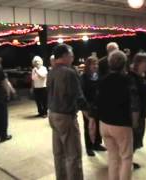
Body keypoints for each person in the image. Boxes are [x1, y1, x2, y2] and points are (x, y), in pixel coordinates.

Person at [47, 44, 95, 180]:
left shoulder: (52, 71)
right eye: (71, 54)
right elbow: (79, 96)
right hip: (66, 117)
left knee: (59, 153)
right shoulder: (69, 72)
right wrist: (90, 116)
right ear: (64, 56)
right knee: (73, 155)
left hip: (53, 114)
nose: (73, 57)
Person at [97, 50, 138, 180]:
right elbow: (134, 104)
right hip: (121, 124)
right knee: (126, 158)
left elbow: (97, 101)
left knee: (113, 157)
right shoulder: (127, 80)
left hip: (104, 124)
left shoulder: (103, 80)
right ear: (125, 64)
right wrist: (135, 122)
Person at [129, 52, 146, 169]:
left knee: (137, 138)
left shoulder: (144, 76)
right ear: (138, 62)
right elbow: (133, 99)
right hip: (134, 114)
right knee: (132, 139)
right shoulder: (131, 76)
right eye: (145, 61)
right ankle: (127, 161)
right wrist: (134, 120)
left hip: (142, 113)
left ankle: (128, 159)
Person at [81, 56, 106, 157]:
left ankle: (97, 144)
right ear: (88, 65)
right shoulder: (83, 77)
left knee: (98, 125)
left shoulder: (99, 76)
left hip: (99, 105)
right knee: (88, 126)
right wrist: (84, 108)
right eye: (93, 64)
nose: (95, 66)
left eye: (96, 64)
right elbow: (81, 93)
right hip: (88, 106)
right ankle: (89, 147)